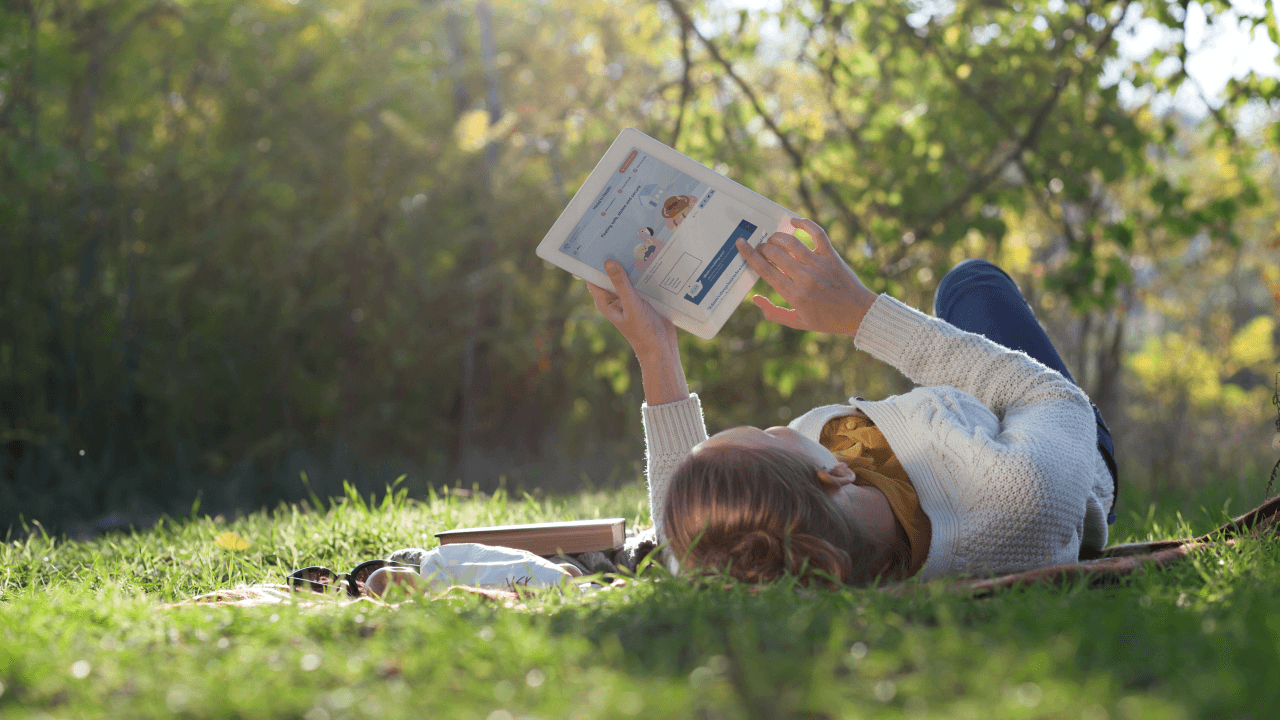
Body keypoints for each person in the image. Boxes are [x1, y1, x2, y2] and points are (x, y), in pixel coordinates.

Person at [586, 218, 1118, 585]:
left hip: (968, 434)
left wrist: (654, 349)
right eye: (771, 435)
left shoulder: (777, 553)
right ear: (834, 474)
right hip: (1058, 443)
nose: (777, 427)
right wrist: (862, 314)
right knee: (970, 282)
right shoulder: (1017, 489)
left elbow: (686, 540)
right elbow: (1051, 396)